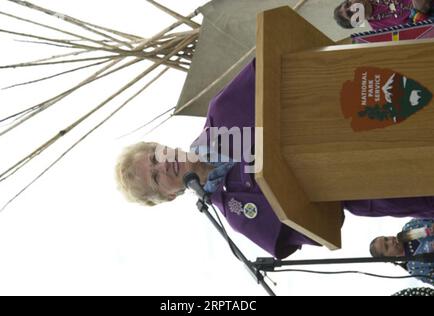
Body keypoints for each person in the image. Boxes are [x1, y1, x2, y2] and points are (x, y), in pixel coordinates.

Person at [116, 59, 434, 259]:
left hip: (380, 111)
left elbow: (288, 58)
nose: (164, 166)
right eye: (155, 177)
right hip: (378, 185)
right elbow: (319, 228)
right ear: (169, 196)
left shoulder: (222, 110)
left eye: (154, 159)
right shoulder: (237, 214)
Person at [369, 218, 434, 286]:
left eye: (386, 238)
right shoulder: (415, 268)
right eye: (387, 246)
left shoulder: (410, 226)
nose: (390, 241)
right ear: (389, 258)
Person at [333, 0, 432, 30]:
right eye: (350, 13)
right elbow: (416, 31)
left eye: (348, 4)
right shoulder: (380, 31)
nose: (352, 7)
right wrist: (419, 11)